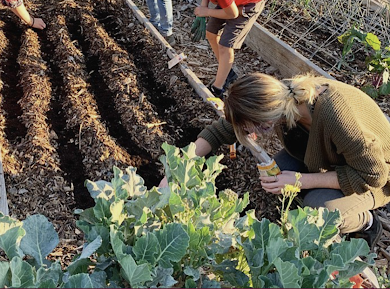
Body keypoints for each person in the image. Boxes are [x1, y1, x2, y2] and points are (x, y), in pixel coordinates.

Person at [163, 73, 390, 248]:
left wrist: (302, 181)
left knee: (318, 210)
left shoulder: (334, 113)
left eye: (249, 126)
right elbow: (218, 132)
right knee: (276, 177)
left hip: (375, 174)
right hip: (326, 158)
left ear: (265, 118)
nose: (246, 131)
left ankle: (366, 223)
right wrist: (174, 171)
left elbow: (373, 175)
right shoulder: (279, 95)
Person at [167, 0, 266, 98]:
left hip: (248, 3)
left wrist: (206, 11)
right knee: (211, 33)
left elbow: (232, 13)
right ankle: (228, 72)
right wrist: (203, 7)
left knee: (226, 46)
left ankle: (218, 88)